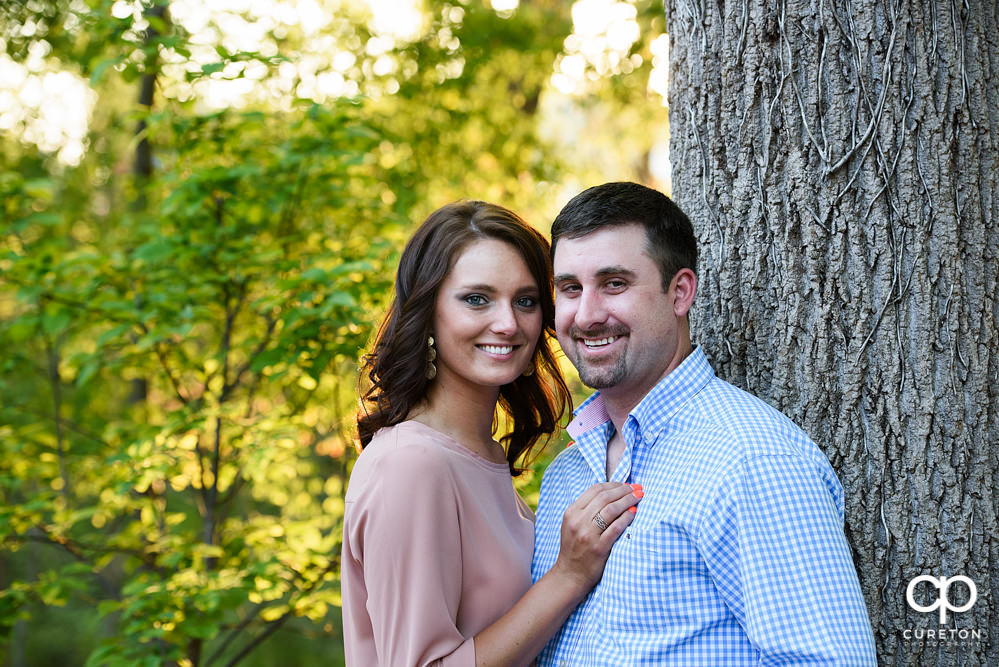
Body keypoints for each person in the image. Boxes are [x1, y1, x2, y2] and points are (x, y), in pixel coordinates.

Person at [531, 182, 878, 665]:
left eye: (614, 284)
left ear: (680, 292)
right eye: (570, 288)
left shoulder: (752, 459)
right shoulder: (567, 474)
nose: (586, 315)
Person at [341, 200, 643, 667]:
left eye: (525, 301)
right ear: (428, 311)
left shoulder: (481, 454)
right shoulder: (410, 464)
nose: (507, 323)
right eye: (476, 299)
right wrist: (568, 575)